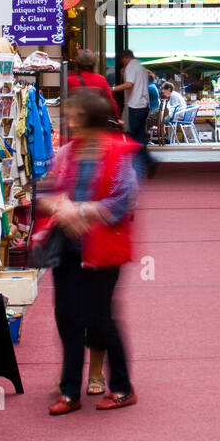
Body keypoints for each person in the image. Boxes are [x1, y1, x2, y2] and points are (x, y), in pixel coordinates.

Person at [35, 87, 139, 415]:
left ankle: (122, 386)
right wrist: (55, 205)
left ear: (93, 120)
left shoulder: (118, 153)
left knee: (99, 319)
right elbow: (49, 192)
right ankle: (69, 390)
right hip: (67, 245)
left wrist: (80, 212)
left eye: (76, 117)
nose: (70, 122)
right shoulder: (66, 153)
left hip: (102, 248)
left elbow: (123, 200)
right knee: (67, 318)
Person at [111, 49, 156, 177]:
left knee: (132, 136)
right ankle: (146, 162)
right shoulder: (141, 67)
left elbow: (129, 84)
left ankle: (145, 162)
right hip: (144, 105)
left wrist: (112, 89)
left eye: (121, 60)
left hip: (134, 105)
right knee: (139, 136)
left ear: (125, 58)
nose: (121, 63)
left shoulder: (130, 67)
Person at [66, 49, 116, 117]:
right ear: (94, 64)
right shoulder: (101, 79)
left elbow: (66, 101)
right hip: (96, 118)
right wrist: (116, 118)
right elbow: (111, 102)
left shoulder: (70, 80)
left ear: (77, 64)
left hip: (78, 119)